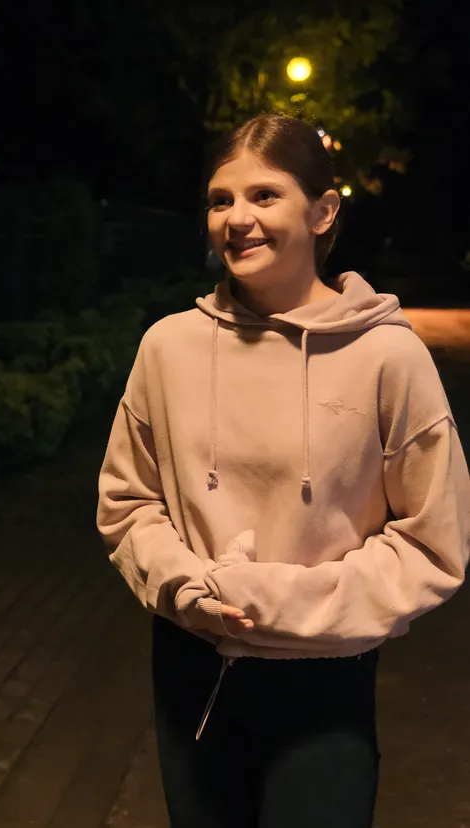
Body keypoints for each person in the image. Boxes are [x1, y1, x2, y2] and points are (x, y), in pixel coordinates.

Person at [97, 112, 470, 828]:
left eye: (264, 195)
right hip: (191, 667)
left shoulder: (388, 357)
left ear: (323, 211)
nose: (237, 218)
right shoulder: (167, 348)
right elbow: (128, 502)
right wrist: (185, 586)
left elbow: (434, 542)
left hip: (324, 682)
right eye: (220, 199)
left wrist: (280, 603)